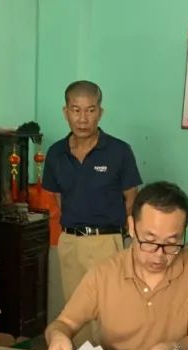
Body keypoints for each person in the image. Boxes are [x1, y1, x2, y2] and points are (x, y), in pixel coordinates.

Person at [44, 181, 188, 350]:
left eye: (171, 243)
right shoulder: (105, 273)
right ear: (131, 227)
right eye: (149, 241)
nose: (159, 255)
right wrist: (58, 337)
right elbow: (64, 323)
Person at [42, 80, 142, 306]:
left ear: (100, 112)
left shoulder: (119, 151)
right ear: (65, 112)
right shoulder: (56, 153)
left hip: (107, 242)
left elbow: (131, 199)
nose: (82, 119)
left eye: (90, 110)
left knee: (108, 308)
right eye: (76, 110)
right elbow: (59, 199)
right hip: (70, 242)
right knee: (75, 309)